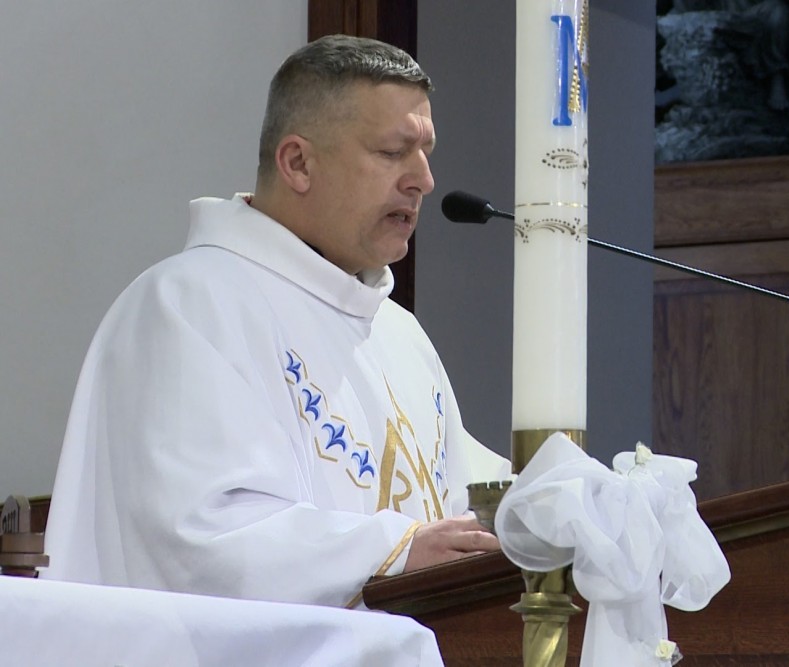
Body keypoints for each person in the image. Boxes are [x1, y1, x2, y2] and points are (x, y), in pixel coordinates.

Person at [42, 34, 510, 610]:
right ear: (298, 164)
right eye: (393, 151)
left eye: (426, 152)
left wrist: (574, 500)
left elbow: (468, 494)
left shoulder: (398, 333)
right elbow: (200, 541)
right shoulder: (188, 305)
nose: (423, 179)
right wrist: (393, 551)